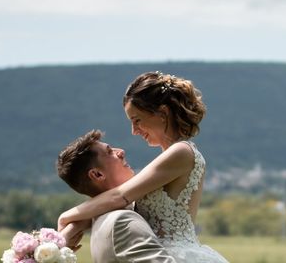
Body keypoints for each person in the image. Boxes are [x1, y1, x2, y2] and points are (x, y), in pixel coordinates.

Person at [58, 71, 229, 262]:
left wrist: (67, 215)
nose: (134, 131)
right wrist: (75, 226)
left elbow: (119, 196)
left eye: (137, 120)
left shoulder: (181, 152)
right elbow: (114, 203)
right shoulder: (167, 157)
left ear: (163, 113)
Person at [56, 129, 176, 263]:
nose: (121, 152)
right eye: (109, 151)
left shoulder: (100, 221)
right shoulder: (122, 222)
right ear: (97, 175)